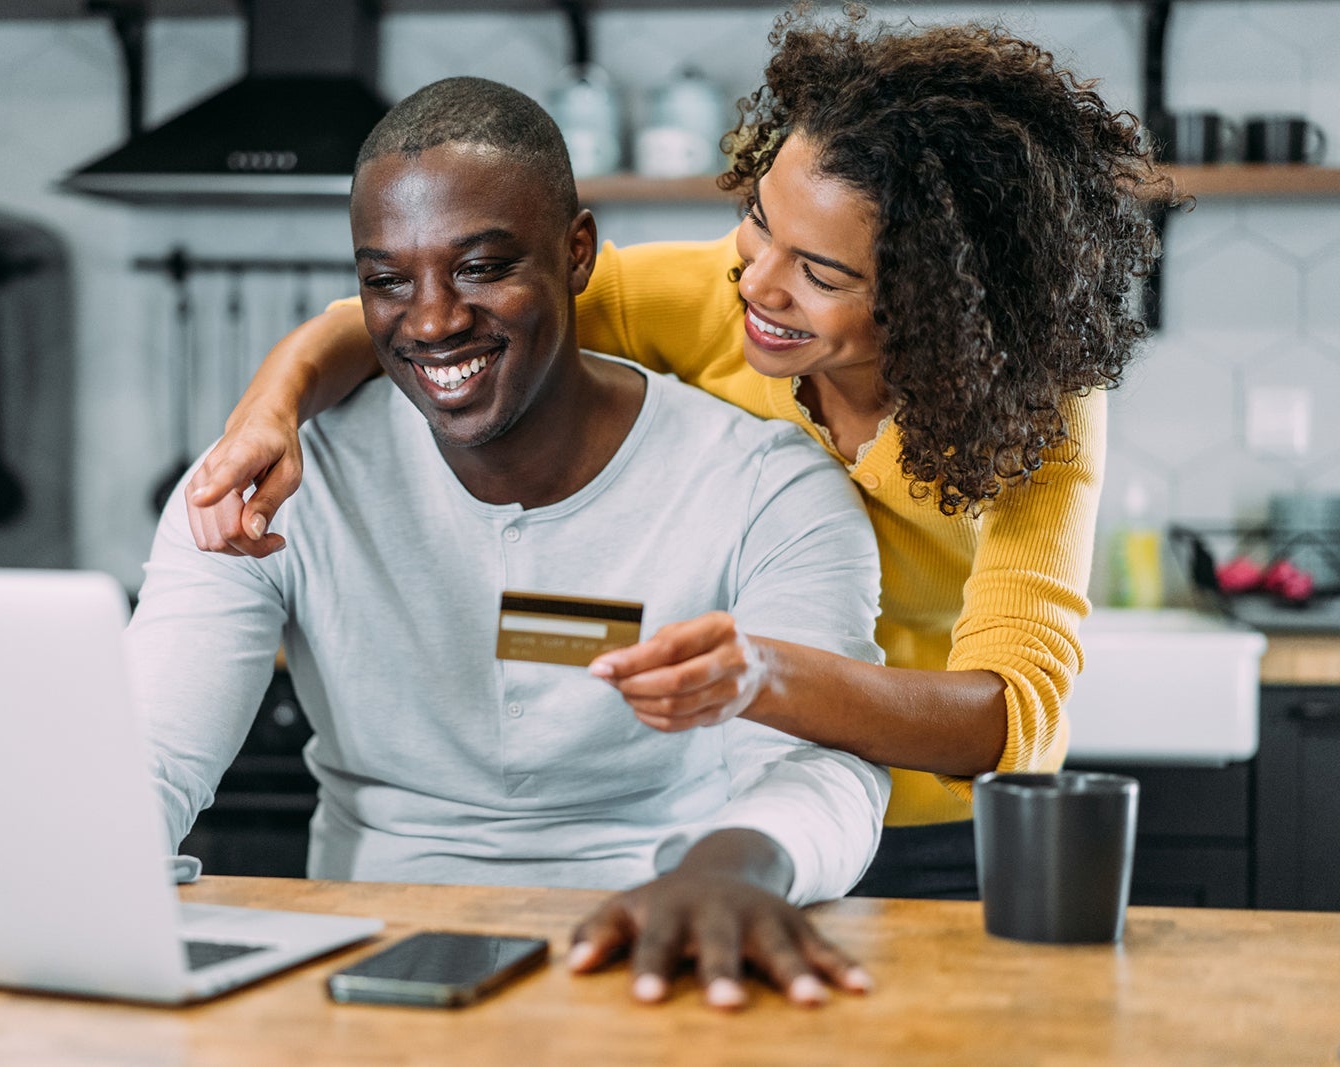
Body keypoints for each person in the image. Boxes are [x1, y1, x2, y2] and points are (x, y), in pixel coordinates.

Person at [184, 9, 1168, 899]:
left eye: (819, 271)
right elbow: (439, 311)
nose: (758, 283)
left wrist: (762, 677)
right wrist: (270, 410)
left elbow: (1011, 717)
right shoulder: (715, 288)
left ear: (941, 299)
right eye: (759, 221)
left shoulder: (1034, 411)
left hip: (932, 825)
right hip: (743, 811)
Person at [127, 75, 891, 1010]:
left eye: (483, 267)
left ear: (578, 252)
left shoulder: (767, 485)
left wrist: (739, 867)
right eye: (386, 281)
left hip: (665, 945)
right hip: (363, 961)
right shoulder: (270, 482)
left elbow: (819, 761)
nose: (436, 319)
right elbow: (148, 750)